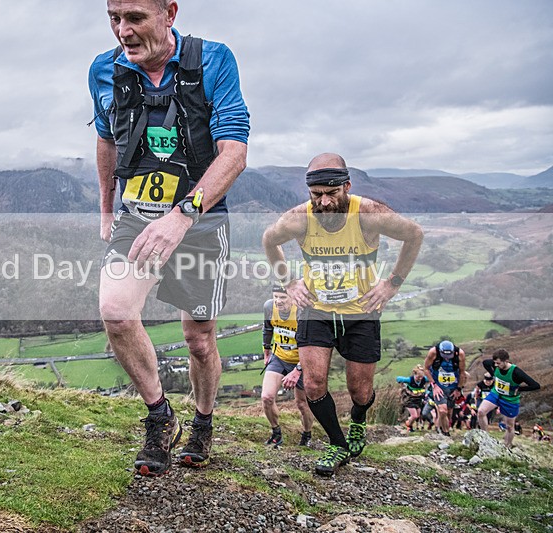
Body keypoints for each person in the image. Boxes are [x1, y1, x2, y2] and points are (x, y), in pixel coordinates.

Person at [89, 0, 249, 475]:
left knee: (198, 340)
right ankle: (161, 417)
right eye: (114, 18)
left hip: (199, 219)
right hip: (137, 213)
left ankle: (203, 421)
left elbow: (234, 152)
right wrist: (104, 206)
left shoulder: (214, 60)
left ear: (169, 13)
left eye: (135, 18)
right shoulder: (104, 70)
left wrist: (183, 215)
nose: (123, 30)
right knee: (116, 312)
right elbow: (106, 138)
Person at [262, 153, 424, 475]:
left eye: (331, 193)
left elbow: (414, 234)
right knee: (314, 385)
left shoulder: (368, 213)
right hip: (315, 310)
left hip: (360, 313)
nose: (323, 202)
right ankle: (337, 444)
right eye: (316, 194)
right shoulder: (300, 217)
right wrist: (290, 282)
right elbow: (270, 240)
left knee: (360, 392)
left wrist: (392, 284)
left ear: (347, 185)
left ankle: (359, 422)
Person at [261, 284, 313, 447]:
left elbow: (311, 346)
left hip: (301, 360)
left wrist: (298, 369)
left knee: (302, 403)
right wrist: (266, 350)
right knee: (267, 397)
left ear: (293, 297)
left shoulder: (302, 312)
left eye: (282, 297)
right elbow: (267, 328)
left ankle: (306, 435)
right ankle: (276, 434)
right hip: (279, 357)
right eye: (276, 296)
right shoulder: (269, 307)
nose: (278, 301)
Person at [477, 349, 540, 449]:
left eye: (498, 363)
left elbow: (536, 385)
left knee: (510, 426)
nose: (496, 365)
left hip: (510, 399)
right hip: (496, 393)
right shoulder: (495, 365)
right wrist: (493, 374)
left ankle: (507, 446)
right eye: (495, 363)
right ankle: (485, 437)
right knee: (481, 411)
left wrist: (519, 388)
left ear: (506, 361)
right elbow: (485, 363)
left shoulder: (516, 372)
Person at [423, 340, 466, 437]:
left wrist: (458, 389)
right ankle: (446, 433)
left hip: (453, 386)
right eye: (444, 356)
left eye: (449, 356)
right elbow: (426, 369)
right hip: (438, 386)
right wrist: (434, 385)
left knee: (449, 412)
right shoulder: (433, 352)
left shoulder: (460, 354)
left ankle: (443, 428)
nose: (447, 358)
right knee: (442, 410)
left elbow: (462, 372)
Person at [396, 364, 428, 432]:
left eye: (421, 377)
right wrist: (400, 381)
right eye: (418, 377)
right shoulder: (409, 380)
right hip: (410, 400)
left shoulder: (424, 379)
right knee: (414, 416)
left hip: (418, 399)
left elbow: (432, 378)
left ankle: (409, 426)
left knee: (418, 415)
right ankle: (407, 424)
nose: (420, 379)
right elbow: (398, 378)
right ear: (415, 374)